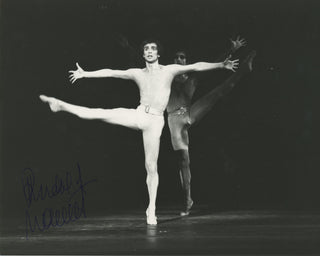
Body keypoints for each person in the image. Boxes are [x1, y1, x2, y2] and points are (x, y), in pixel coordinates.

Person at [39, 39, 239, 225]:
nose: (150, 51)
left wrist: (221, 65)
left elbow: (196, 66)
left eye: (153, 49)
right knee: (98, 113)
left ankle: (151, 209)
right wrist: (86, 74)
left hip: (155, 121)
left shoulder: (169, 70)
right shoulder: (137, 73)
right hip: (139, 115)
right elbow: (112, 72)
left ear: (158, 54)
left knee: (151, 167)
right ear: (143, 54)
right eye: (146, 49)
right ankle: (60, 105)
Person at [167, 37, 256, 216]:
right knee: (184, 161)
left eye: (182, 57)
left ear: (186, 61)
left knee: (219, 92)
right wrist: (129, 48)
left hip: (190, 113)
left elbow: (213, 64)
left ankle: (243, 70)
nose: (179, 59)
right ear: (173, 60)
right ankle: (187, 200)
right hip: (174, 119)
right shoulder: (166, 77)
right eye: (176, 57)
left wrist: (230, 50)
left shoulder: (192, 78)